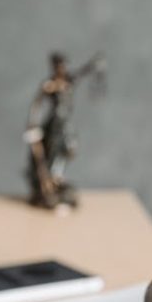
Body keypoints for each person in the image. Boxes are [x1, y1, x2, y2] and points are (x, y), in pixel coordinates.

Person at [24, 51, 106, 209]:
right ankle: (52, 179)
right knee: (53, 150)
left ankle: (57, 177)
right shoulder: (50, 85)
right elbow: (36, 105)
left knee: (70, 149)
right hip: (54, 123)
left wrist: (93, 64)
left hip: (65, 123)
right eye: (60, 66)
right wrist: (32, 123)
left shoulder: (68, 81)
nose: (63, 68)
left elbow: (81, 73)